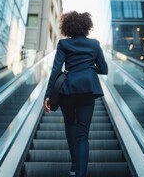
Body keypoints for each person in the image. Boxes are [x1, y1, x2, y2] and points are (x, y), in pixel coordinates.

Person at [44, 11, 108, 177]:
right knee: (83, 135)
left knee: (70, 124)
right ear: (87, 27)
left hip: (67, 90)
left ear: (68, 27)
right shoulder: (94, 44)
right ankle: (80, 173)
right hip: (88, 90)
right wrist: (90, 68)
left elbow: (56, 70)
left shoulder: (64, 44)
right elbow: (104, 69)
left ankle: (74, 163)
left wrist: (48, 95)